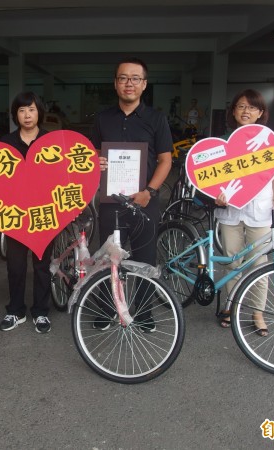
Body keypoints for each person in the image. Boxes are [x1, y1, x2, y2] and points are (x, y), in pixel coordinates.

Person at [91, 57, 173, 332]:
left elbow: (165, 160)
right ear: (115, 83)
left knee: (145, 258)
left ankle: (144, 312)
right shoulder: (102, 119)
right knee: (106, 257)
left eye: (135, 78)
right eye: (123, 78)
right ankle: (106, 309)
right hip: (110, 201)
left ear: (144, 84)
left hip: (144, 201)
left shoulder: (156, 119)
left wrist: (150, 191)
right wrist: (96, 162)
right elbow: (91, 155)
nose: (129, 83)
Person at [215, 89, 274, 336]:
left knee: (258, 263)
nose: (246, 111)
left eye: (252, 107)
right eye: (241, 106)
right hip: (230, 211)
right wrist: (216, 197)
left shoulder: (267, 141)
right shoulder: (222, 141)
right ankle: (231, 306)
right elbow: (211, 177)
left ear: (260, 113)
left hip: (260, 209)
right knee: (232, 261)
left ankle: (257, 312)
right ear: (233, 111)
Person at [0, 91, 52, 333]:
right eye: (21, 110)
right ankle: (16, 311)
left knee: (42, 264)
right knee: (15, 265)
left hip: (46, 212)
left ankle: (41, 312)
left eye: (31, 109)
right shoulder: (6, 143)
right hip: (16, 214)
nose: (27, 115)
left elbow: (65, 175)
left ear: (39, 111)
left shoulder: (52, 142)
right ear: (15, 115)